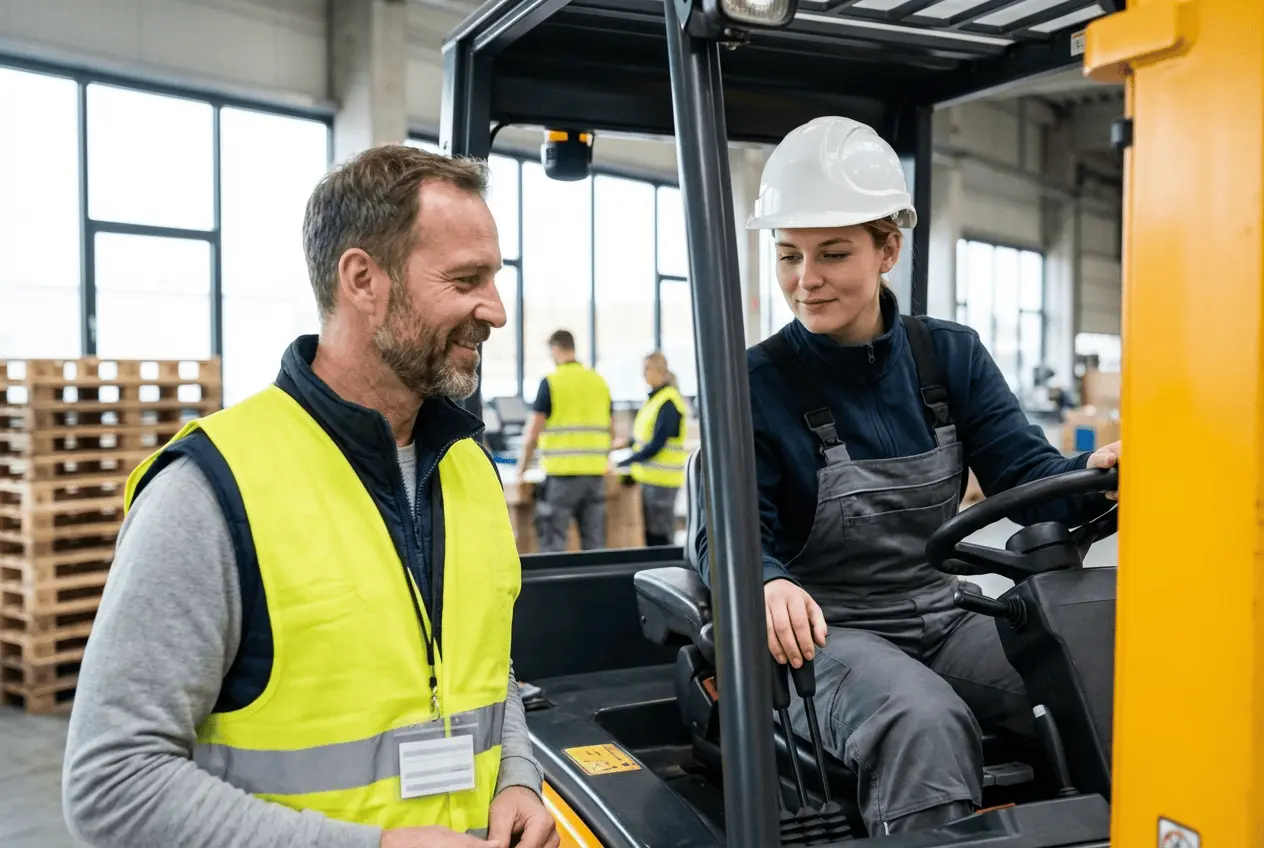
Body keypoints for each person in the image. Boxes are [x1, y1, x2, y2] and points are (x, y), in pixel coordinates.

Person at [62, 145, 559, 848]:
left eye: (494, 277)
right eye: (466, 279)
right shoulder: (210, 489)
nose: (497, 310)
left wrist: (517, 775)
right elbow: (111, 782)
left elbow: (480, 670)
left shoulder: (469, 467)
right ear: (363, 280)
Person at [692, 116, 1121, 838]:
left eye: (832, 253)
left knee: (1096, 675)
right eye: (788, 255)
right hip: (821, 632)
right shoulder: (752, 382)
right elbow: (726, 536)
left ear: (888, 248)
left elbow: (1027, 473)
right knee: (923, 720)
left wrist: (1096, 473)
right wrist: (766, 581)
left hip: (943, 610)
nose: (807, 279)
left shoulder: (949, 356)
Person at [518, 330, 613, 552]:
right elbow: (610, 428)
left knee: (554, 545)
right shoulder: (599, 382)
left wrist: (521, 469)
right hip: (594, 478)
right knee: (595, 546)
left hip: (561, 480)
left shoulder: (551, 382)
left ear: (555, 349)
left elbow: (533, 432)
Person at [615, 351, 688, 547]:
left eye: (647, 369)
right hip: (650, 480)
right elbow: (645, 437)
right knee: (651, 535)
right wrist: (628, 443)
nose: (643, 374)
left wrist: (625, 461)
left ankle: (664, 572)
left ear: (660, 370)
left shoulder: (669, 403)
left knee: (660, 537)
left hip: (661, 482)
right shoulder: (655, 399)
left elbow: (657, 443)